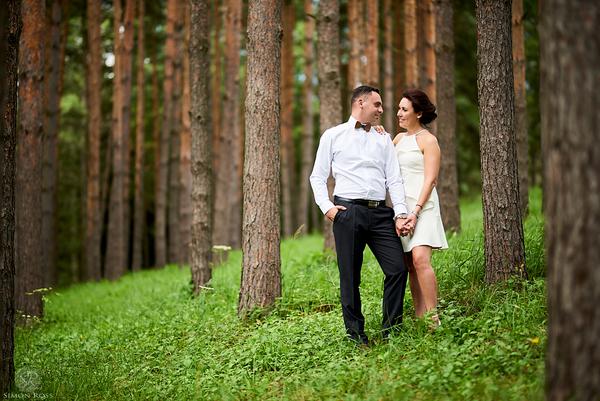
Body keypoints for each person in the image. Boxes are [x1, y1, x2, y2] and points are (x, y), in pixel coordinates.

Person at [309, 85, 416, 346]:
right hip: (348, 213)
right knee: (350, 277)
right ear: (360, 103)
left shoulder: (383, 138)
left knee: (397, 269)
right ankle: (356, 335)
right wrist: (328, 208)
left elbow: (394, 179)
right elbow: (317, 177)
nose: (381, 109)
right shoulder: (333, 136)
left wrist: (400, 213)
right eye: (377, 104)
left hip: (381, 214)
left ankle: (391, 331)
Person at [391, 89, 448, 326]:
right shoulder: (397, 139)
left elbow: (430, 179)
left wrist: (415, 212)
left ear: (419, 113)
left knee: (420, 259)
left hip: (423, 208)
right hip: (402, 211)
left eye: (404, 109)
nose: (398, 113)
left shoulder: (429, 140)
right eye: (399, 108)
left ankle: (434, 318)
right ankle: (419, 316)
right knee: (410, 265)